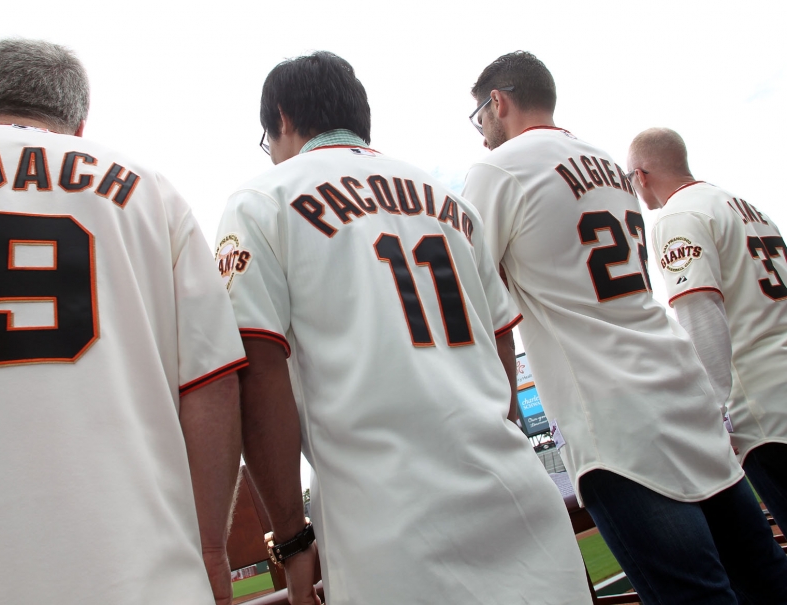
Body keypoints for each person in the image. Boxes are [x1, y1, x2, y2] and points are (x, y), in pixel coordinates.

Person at [0, 39, 244, 604]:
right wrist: (210, 550)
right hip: (136, 573)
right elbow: (212, 383)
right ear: (80, 126)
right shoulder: (151, 191)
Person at [216, 50, 591, 605]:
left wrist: (293, 542)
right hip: (517, 496)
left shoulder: (260, 201)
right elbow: (500, 340)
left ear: (283, 118)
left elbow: (256, 376)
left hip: (390, 529)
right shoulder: (451, 200)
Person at [460, 51, 787, 604]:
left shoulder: (498, 168)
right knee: (766, 581)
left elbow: (474, 294)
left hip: (616, 417)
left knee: (697, 597)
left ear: (498, 102)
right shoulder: (610, 162)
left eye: (479, 116)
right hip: (684, 388)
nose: (482, 131)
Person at [628, 127, 787, 529]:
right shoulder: (744, 206)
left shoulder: (677, 215)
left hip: (765, 406)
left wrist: (710, 411)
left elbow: (701, 312)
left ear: (641, 175)